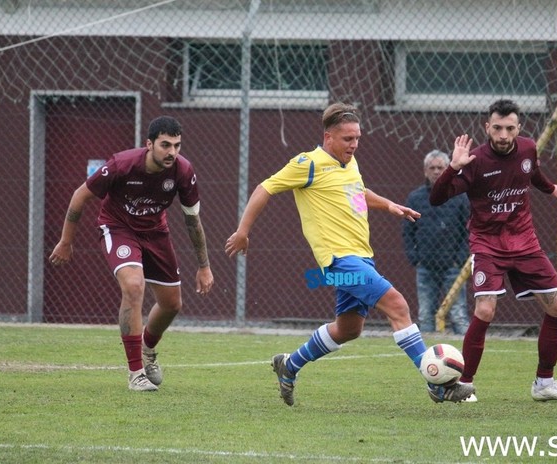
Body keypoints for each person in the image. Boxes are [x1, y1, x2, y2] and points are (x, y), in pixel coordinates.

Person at [225, 102, 475, 406]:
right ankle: (439, 386)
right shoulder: (308, 163)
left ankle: (289, 366)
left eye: (357, 138)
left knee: (348, 329)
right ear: (328, 137)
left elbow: (357, 191)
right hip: (339, 261)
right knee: (397, 305)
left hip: (360, 256)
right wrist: (243, 231)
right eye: (347, 139)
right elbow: (265, 188)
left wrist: (389, 205)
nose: (354, 145)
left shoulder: (349, 163)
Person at [430, 99, 557, 402]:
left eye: (509, 128)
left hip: (525, 242)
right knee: (485, 309)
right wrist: (453, 167)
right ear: (487, 127)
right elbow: (438, 197)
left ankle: (544, 383)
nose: (503, 135)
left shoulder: (527, 148)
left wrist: (551, 188)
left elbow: (532, 173)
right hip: (487, 245)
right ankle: (464, 384)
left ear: (519, 128)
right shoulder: (474, 161)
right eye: (497, 128)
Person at [49, 116, 214, 392]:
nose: (172, 152)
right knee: (134, 287)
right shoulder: (121, 165)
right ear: (149, 144)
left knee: (172, 304)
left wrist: (204, 265)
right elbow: (80, 196)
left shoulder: (183, 172)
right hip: (118, 228)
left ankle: (148, 350)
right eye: (165, 145)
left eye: (177, 145)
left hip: (156, 233)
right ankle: (136, 372)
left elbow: (192, 220)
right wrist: (66, 241)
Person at [403, 150, 470, 335]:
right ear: (425, 171)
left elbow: (468, 231)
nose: (436, 171)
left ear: (448, 169)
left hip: (453, 266)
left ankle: (466, 352)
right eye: (432, 168)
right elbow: (407, 231)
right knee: (425, 315)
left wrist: (460, 259)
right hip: (426, 266)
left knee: (458, 314)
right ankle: (427, 357)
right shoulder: (415, 198)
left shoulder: (460, 196)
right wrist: (414, 258)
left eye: (440, 167)